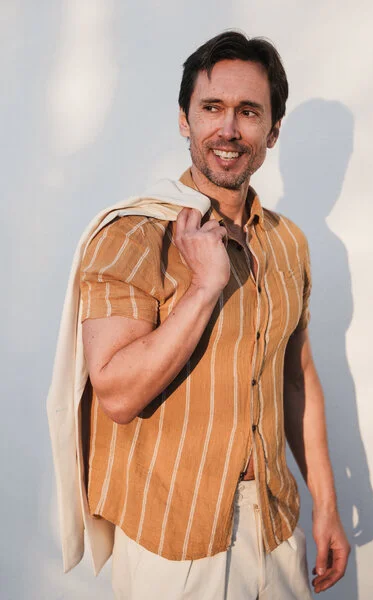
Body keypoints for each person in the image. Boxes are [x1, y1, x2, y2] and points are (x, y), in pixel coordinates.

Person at [77, 31, 350, 598]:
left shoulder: (288, 243)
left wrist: (326, 504)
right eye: (211, 108)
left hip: (274, 525)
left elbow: (296, 379)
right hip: (172, 540)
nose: (228, 129)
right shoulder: (132, 235)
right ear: (185, 119)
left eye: (249, 112)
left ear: (272, 131)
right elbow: (117, 395)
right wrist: (204, 288)